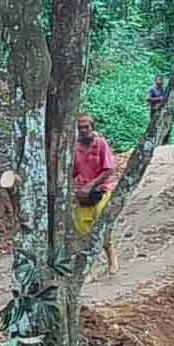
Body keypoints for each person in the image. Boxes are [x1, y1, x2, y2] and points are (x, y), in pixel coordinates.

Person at [71, 114, 118, 274]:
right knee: (83, 232)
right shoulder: (74, 149)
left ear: (93, 128)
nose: (83, 131)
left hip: (100, 191)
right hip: (83, 196)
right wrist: (75, 190)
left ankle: (111, 258)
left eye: (86, 127)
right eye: (80, 128)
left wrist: (92, 184)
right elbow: (71, 172)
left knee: (102, 227)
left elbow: (109, 169)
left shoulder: (100, 144)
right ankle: (88, 269)